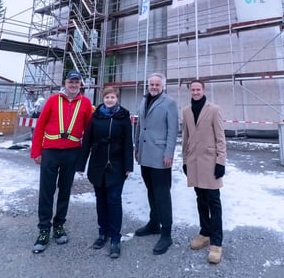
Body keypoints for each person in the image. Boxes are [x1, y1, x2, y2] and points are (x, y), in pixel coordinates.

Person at [30, 70, 93, 254]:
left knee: (65, 191)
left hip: (72, 153)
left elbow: (89, 131)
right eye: (71, 81)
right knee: (46, 192)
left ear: (80, 84)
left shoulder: (86, 103)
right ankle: (43, 229)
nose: (74, 85)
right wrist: (36, 152)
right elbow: (40, 125)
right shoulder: (53, 100)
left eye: (77, 82)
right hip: (50, 152)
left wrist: (83, 159)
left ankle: (59, 225)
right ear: (65, 83)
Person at [77, 86, 133, 259]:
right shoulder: (96, 116)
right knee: (101, 200)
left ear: (117, 98)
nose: (110, 100)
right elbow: (87, 140)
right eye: (107, 97)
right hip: (97, 165)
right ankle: (103, 233)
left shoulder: (123, 116)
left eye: (113, 97)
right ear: (103, 98)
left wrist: (128, 166)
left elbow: (128, 142)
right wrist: (81, 163)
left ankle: (115, 238)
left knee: (114, 200)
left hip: (116, 166)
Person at [182, 79, 226, 264]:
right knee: (200, 200)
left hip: (210, 162)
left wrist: (220, 162)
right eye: (193, 89)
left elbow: (221, 138)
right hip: (193, 162)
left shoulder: (214, 109)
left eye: (198, 89)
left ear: (203, 90)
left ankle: (216, 243)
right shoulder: (185, 111)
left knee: (213, 202)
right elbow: (186, 136)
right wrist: (184, 160)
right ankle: (205, 232)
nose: (195, 92)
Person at [134, 72, 179, 255]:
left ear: (163, 86)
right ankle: (154, 223)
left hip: (161, 156)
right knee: (151, 191)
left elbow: (172, 130)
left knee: (162, 194)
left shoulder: (169, 103)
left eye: (157, 85)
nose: (153, 87)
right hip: (145, 155)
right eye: (151, 84)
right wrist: (136, 148)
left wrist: (169, 153)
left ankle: (166, 232)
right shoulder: (144, 100)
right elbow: (139, 126)